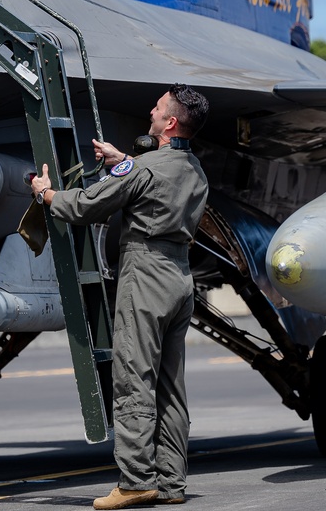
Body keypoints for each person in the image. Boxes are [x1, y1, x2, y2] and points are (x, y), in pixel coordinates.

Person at [31, 84, 210, 510]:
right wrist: (126, 162)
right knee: (170, 386)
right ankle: (171, 483)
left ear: (169, 122)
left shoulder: (143, 170)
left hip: (145, 276)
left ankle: (134, 482)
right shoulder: (194, 170)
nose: (151, 109)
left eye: (158, 106)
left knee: (133, 379)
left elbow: (83, 206)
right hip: (180, 278)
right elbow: (156, 181)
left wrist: (44, 192)